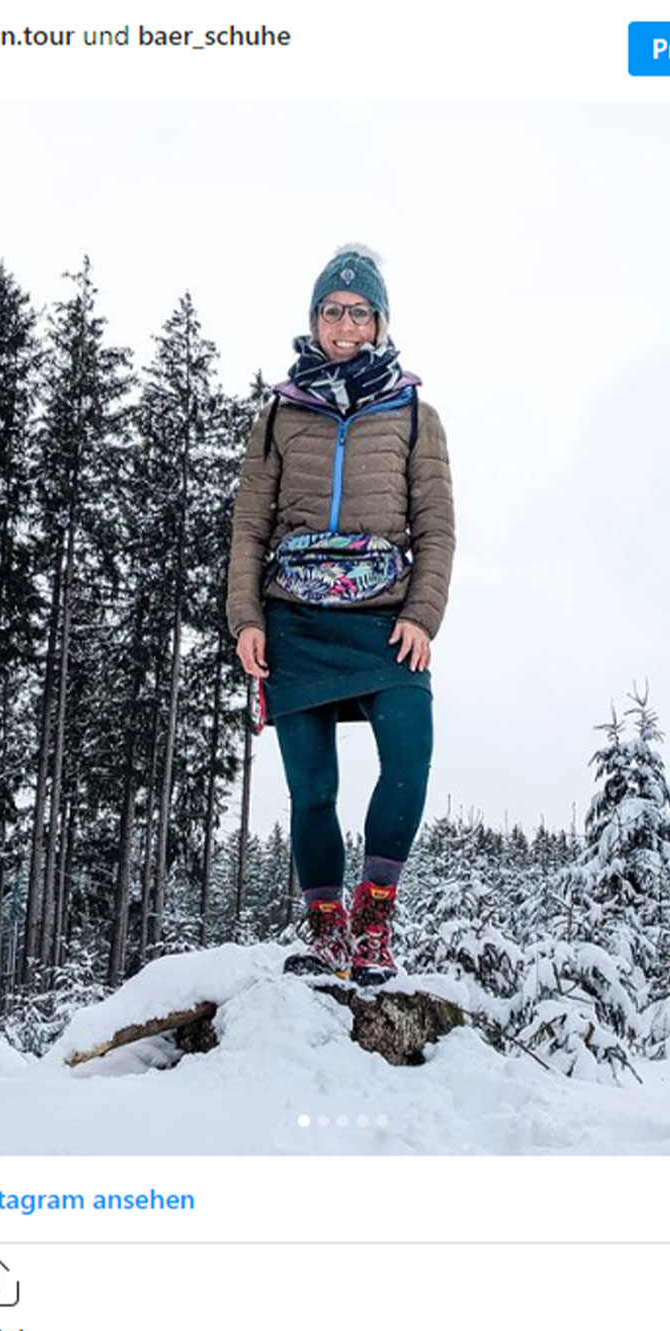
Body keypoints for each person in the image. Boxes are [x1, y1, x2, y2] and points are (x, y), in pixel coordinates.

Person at [227, 245, 455, 984]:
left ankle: (373, 925)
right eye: (333, 311)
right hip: (293, 622)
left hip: (385, 620)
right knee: (312, 788)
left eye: (360, 312)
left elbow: (436, 529)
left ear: (381, 322)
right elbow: (249, 527)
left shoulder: (415, 417)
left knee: (409, 760)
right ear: (314, 318)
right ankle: (327, 932)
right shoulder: (278, 415)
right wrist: (245, 619)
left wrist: (422, 615)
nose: (346, 325)